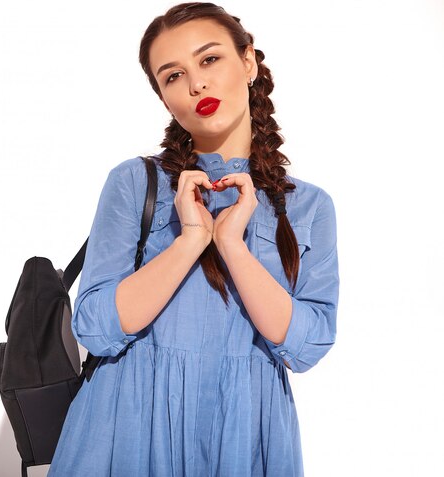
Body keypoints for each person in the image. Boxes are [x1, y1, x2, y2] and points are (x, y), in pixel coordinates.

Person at [48, 2, 339, 476]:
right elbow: (96, 328)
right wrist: (190, 240)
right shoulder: (135, 182)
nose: (196, 84)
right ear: (165, 98)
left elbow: (306, 347)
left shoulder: (309, 206)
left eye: (209, 60)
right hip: (128, 426)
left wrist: (233, 245)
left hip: (244, 432)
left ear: (248, 63)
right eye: (172, 76)